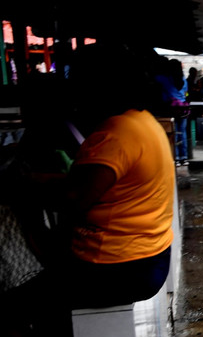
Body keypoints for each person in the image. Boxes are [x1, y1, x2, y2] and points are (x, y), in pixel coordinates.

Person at [49, 42, 176, 309]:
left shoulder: (115, 134)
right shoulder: (143, 120)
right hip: (150, 259)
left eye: (76, 78)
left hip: (117, 269)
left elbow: (74, 198)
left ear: (98, 84)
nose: (73, 88)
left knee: (15, 304)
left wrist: (23, 187)